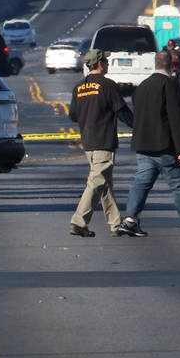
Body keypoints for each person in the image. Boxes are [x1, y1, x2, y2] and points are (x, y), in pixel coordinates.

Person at [117, 50, 180, 237]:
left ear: (155, 64)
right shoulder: (172, 86)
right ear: (172, 65)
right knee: (179, 184)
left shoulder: (141, 87)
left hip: (143, 145)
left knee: (141, 182)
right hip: (166, 146)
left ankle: (130, 219)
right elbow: (177, 119)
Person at [67, 48, 134, 237]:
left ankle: (116, 224)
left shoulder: (79, 87)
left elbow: (73, 115)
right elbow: (122, 111)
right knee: (97, 181)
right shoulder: (107, 85)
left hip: (88, 141)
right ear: (99, 64)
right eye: (105, 61)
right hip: (103, 140)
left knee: (105, 184)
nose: (107, 64)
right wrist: (139, 126)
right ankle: (78, 221)